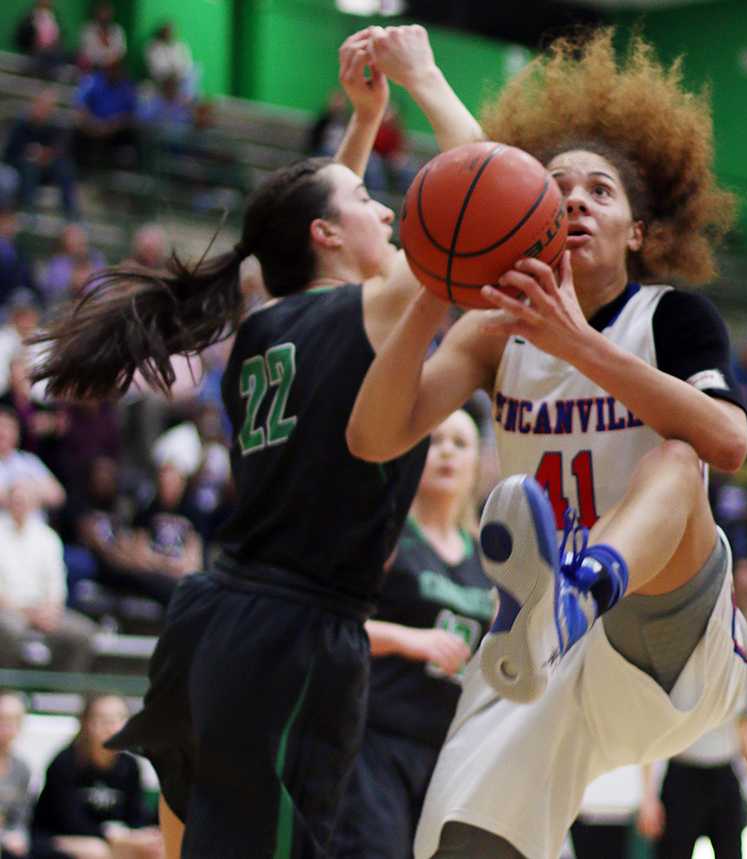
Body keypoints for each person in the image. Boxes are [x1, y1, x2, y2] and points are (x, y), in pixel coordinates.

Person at [31, 25, 481, 859]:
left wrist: (358, 123)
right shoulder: (365, 310)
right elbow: (488, 197)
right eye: (366, 202)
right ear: (326, 235)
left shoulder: (260, 320)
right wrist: (422, 80)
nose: (384, 205)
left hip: (215, 611)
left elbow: (309, 220)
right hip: (293, 633)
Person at [347, 27, 747, 859]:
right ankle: (556, 603)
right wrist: (437, 279)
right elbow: (375, 433)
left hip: (662, 626)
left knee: (674, 456)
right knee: (460, 843)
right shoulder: (498, 331)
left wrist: (581, 347)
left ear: (637, 232)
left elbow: (727, 440)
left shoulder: (668, 316)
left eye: (599, 191)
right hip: (529, 649)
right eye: (556, 186)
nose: (573, 199)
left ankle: (583, 585)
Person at [332, 409, 494, 858]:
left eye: (460, 443)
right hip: (377, 742)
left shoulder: (489, 557)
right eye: (434, 440)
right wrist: (409, 639)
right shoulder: (389, 537)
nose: (445, 451)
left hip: (450, 753)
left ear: (477, 462)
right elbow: (333, 625)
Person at [30, 693, 162, 859]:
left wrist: (140, 835)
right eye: (104, 720)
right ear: (86, 723)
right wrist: (113, 835)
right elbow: (70, 823)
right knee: (97, 852)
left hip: (112, 840)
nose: (112, 727)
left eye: (119, 719)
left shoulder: (129, 766)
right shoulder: (65, 763)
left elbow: (136, 816)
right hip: (57, 838)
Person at [637, 708, 747, 859]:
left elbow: (744, 726)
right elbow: (652, 731)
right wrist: (648, 797)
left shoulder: (736, 685)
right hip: (682, 775)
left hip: (724, 773)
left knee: (729, 851)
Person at [0, 481, 97, 672]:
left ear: (35, 503)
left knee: (84, 633)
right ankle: (7, 692)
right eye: (16, 500)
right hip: (9, 610)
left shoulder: (48, 538)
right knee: (7, 630)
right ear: (8, 502)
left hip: (44, 610)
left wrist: (50, 610)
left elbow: (56, 584)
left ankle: (62, 692)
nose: (20, 504)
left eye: (25, 500)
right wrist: (25, 612)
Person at [3, 89, 79, 219]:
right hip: (21, 167)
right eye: (41, 105)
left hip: (46, 167)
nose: (43, 110)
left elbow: (59, 150)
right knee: (30, 166)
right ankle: (28, 210)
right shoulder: (21, 123)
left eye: (48, 107)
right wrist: (29, 153)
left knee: (64, 167)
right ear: (35, 104)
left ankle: (70, 212)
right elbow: (10, 152)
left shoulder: (56, 126)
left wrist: (44, 154)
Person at [0, 690, 33, 859]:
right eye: (2, 718)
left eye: (13, 720)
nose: (6, 726)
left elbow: (21, 817)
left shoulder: (22, 769)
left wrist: (17, 836)